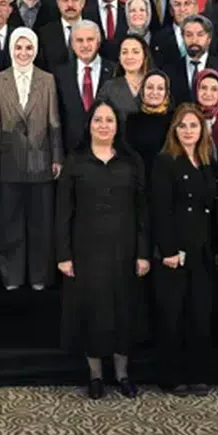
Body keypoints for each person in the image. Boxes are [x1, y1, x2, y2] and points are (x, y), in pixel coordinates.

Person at [56, 100, 150, 399]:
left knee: (124, 311)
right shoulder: (75, 161)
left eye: (109, 120)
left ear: (118, 126)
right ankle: (95, 376)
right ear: (89, 125)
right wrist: (63, 255)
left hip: (125, 249)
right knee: (93, 312)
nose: (103, 126)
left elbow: (143, 210)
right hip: (86, 250)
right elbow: (63, 211)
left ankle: (122, 375)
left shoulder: (131, 161)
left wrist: (143, 252)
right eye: (98, 120)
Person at [0, 27, 62, 291]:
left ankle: (40, 276)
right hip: (9, 161)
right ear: (11, 49)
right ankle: (12, 277)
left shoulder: (47, 80)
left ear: (36, 50)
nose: (23, 52)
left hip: (41, 161)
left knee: (41, 223)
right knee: (10, 223)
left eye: (28, 47)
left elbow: (54, 122)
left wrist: (57, 157)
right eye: (18, 47)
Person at [151, 103, 217, 396]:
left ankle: (198, 373)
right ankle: (171, 376)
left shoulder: (207, 160)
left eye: (194, 125)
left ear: (202, 129)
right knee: (172, 316)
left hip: (202, 249)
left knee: (199, 315)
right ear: (174, 130)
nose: (188, 131)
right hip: (175, 251)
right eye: (183, 125)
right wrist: (168, 249)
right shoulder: (165, 161)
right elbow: (160, 209)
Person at [125, 70, 173, 180]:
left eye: (160, 88)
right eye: (150, 87)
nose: (154, 92)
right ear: (142, 90)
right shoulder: (132, 120)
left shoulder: (174, 119)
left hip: (167, 179)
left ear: (166, 93)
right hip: (138, 178)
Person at [98, 32, 151, 116]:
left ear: (145, 55)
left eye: (135, 52)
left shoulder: (156, 84)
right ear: (119, 57)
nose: (129, 57)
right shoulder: (109, 88)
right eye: (124, 52)